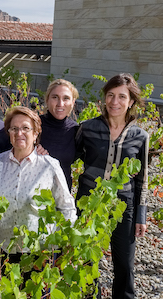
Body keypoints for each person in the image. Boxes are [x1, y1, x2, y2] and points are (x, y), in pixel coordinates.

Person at [75, 73, 148, 299]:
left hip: (122, 205)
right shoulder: (87, 128)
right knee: (88, 258)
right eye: (110, 95)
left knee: (124, 262)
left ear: (131, 101)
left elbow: (142, 179)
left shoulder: (140, 136)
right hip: (88, 201)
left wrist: (141, 215)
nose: (115, 102)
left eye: (121, 97)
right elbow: (68, 158)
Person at [0, 106, 77, 259]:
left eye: (26, 128)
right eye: (14, 128)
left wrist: (58, 244)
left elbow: (67, 208)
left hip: (37, 251)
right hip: (2, 247)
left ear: (35, 134)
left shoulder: (49, 166)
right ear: (9, 133)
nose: (19, 133)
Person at [40, 79, 79, 190]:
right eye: (55, 97)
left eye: (66, 98)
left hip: (62, 196)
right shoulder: (33, 126)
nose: (60, 104)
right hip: (34, 196)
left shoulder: (76, 130)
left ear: (73, 102)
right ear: (47, 100)